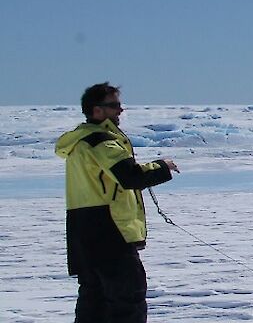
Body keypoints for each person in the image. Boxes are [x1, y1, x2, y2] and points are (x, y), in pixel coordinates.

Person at [56, 82, 179, 323]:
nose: (120, 111)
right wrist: (162, 166)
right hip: (109, 229)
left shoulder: (80, 142)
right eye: (114, 106)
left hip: (83, 229)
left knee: (94, 299)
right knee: (127, 298)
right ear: (97, 110)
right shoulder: (101, 141)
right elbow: (130, 177)